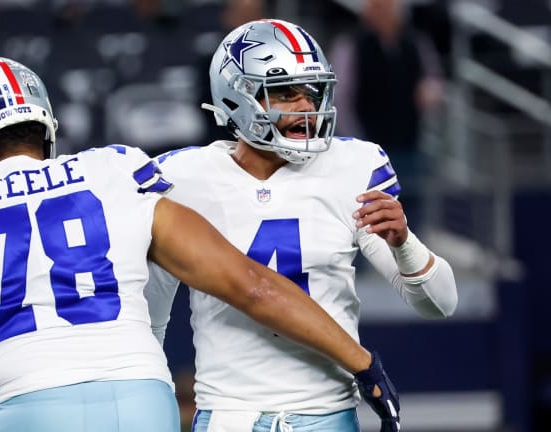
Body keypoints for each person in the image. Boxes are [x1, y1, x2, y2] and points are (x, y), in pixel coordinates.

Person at [0, 56, 399, 432]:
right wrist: (360, 361)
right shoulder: (112, 172)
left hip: (28, 406)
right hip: (145, 405)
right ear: (45, 124)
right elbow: (251, 285)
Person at [145, 19, 458, 432]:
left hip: (327, 414)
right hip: (229, 415)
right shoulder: (182, 179)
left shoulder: (353, 167)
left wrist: (404, 244)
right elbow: (151, 318)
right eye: (286, 93)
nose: (306, 107)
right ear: (238, 96)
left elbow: (439, 304)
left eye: (310, 92)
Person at [329, 0, 444, 219]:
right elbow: (340, 98)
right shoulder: (351, 45)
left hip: (409, 144)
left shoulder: (415, 43)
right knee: (370, 218)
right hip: (369, 148)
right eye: (377, 6)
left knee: (411, 215)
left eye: (389, 6)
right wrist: (357, 142)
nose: (384, 12)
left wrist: (430, 93)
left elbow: (433, 79)